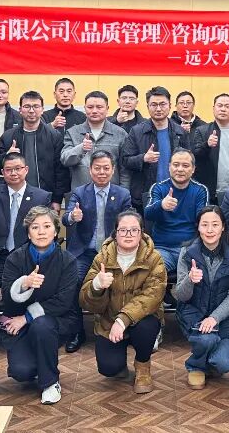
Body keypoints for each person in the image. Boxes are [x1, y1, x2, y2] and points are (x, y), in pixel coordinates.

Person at [79, 210, 167, 394]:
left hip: (140, 320)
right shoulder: (102, 258)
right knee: (109, 368)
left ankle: (143, 365)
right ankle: (119, 363)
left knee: (147, 326)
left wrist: (123, 320)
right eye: (123, 230)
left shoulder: (154, 258)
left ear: (141, 233)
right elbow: (85, 302)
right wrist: (96, 286)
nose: (128, 234)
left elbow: (153, 296)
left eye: (134, 230)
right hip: (109, 321)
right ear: (115, 233)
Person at [1, 206, 81, 404]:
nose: (41, 232)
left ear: (55, 231)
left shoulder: (68, 261)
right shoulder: (15, 258)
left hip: (55, 320)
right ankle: (40, 360)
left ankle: (50, 382)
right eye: (35, 227)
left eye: (47, 226)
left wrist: (26, 317)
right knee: (21, 371)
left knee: (41, 325)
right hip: (20, 323)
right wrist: (24, 284)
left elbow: (63, 302)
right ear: (28, 233)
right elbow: (7, 299)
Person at [61, 150, 133, 352]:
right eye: (97, 168)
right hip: (85, 252)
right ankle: (77, 331)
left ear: (113, 170)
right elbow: (66, 218)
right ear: (90, 170)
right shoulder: (79, 192)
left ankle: (120, 326)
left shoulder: (123, 194)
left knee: (123, 283)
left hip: (114, 252)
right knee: (73, 282)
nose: (102, 172)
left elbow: (129, 220)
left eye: (106, 168)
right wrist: (73, 217)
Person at [172, 206, 229, 389]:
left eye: (215, 225)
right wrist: (190, 280)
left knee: (223, 363)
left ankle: (210, 359)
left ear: (223, 227)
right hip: (195, 312)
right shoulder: (187, 253)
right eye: (204, 225)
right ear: (198, 227)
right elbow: (181, 295)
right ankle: (196, 366)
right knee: (206, 339)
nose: (210, 230)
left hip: (224, 317)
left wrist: (214, 318)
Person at [0, 152, 52, 280]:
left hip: (28, 256)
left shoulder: (41, 197)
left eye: (18, 168)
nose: (13, 173)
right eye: (8, 170)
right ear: (2, 172)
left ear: (26, 169)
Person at [0, 91, 70, 211]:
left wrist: (57, 199)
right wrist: (6, 156)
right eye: (27, 106)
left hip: (45, 196)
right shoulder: (8, 136)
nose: (31, 110)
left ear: (42, 110)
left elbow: (61, 170)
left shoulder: (54, 136)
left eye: (36, 106)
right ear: (20, 110)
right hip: (15, 196)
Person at [121, 86, 191, 210]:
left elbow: (189, 162)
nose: (158, 109)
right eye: (154, 105)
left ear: (170, 106)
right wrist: (143, 158)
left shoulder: (180, 132)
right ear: (147, 106)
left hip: (176, 193)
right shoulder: (137, 131)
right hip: (146, 194)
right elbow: (125, 160)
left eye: (162, 104)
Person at [144, 149, 209, 276]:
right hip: (163, 249)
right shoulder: (158, 188)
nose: (180, 169)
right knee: (152, 273)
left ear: (193, 169)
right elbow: (147, 214)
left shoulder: (200, 190)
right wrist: (161, 205)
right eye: (176, 165)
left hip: (190, 249)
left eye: (185, 165)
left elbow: (203, 220)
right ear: (169, 167)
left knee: (200, 274)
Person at [61, 90, 129, 189]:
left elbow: (125, 169)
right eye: (90, 107)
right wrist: (81, 148)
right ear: (85, 108)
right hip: (81, 193)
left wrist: (123, 192)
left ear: (107, 108)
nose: (94, 111)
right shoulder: (73, 132)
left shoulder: (120, 134)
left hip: (112, 193)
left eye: (99, 107)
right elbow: (65, 160)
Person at [192, 93, 229, 203]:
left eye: (227, 106)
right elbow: (195, 157)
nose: (223, 109)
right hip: (212, 192)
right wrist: (207, 145)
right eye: (220, 106)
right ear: (214, 108)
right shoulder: (202, 131)